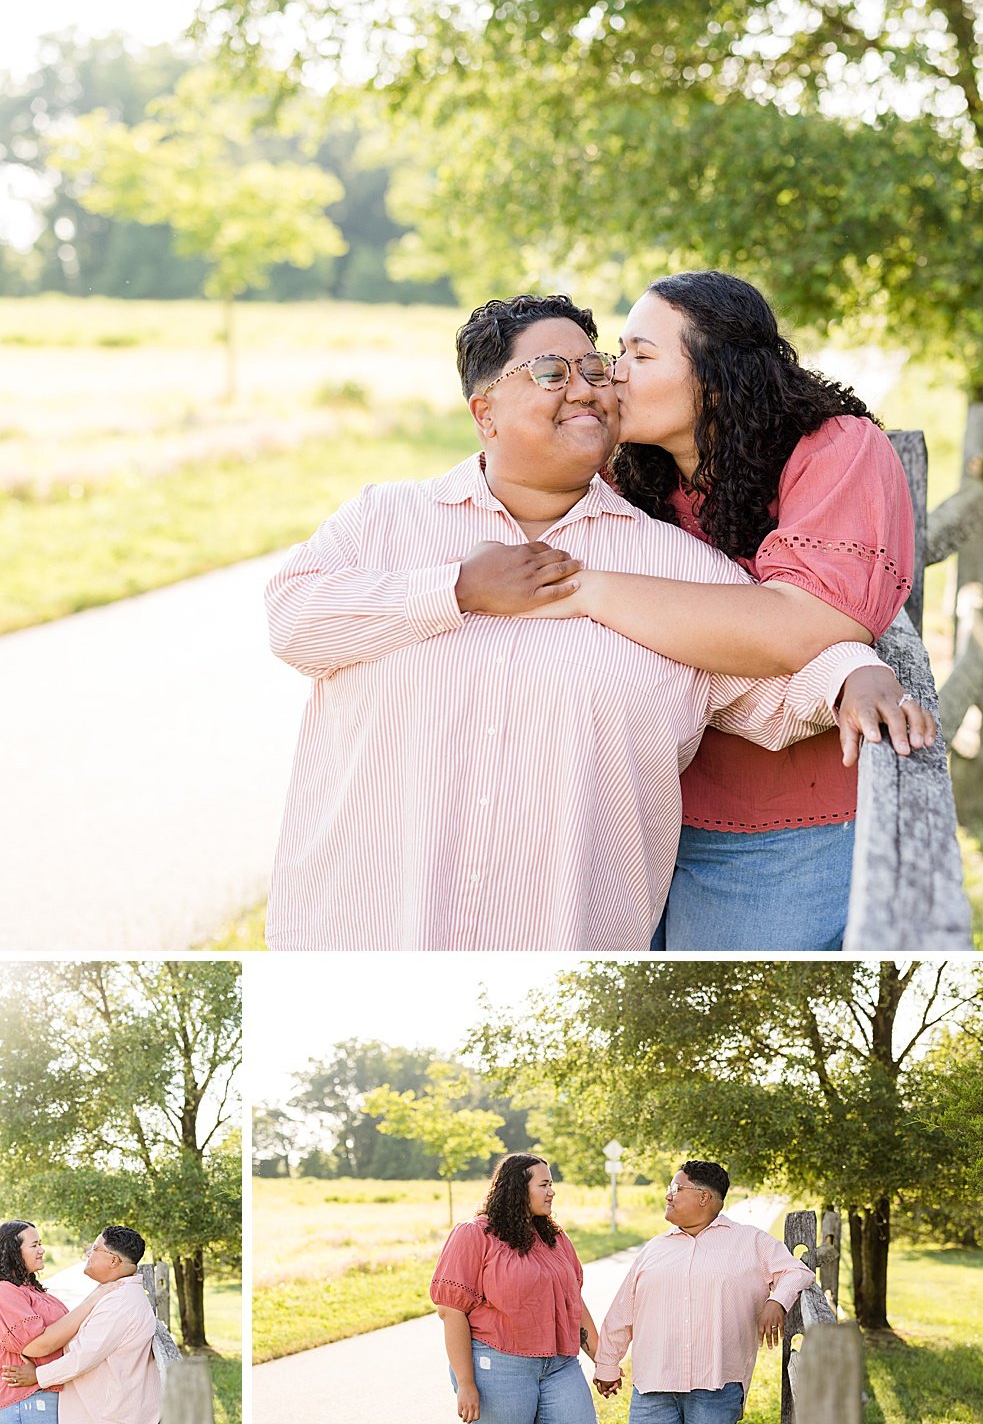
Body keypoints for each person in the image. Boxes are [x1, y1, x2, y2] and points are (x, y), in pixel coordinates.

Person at [266, 292, 913, 951]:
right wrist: (455, 590)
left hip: (565, 942)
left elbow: (768, 680)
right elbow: (292, 621)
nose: (588, 388)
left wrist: (853, 668)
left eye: (595, 370)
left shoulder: (671, 562)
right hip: (359, 932)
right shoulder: (385, 522)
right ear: (483, 412)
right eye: (551, 372)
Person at [539, 270, 933, 950]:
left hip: (778, 832)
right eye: (617, 354)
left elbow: (811, 624)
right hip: (629, 818)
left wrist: (589, 590)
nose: (615, 376)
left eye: (641, 354)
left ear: (716, 378)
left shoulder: (836, 451)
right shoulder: (624, 468)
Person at [593, 1160, 816, 1424]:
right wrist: (607, 1363)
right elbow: (622, 1311)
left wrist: (776, 1301)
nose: (668, 1196)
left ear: (703, 1198)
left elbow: (797, 1271)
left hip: (717, 1379)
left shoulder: (751, 1242)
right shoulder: (655, 1248)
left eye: (676, 1188)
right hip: (655, 1378)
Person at [429, 1154, 602, 1424]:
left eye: (552, 1184)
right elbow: (450, 1311)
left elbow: (573, 1303)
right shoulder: (474, 1234)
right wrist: (466, 1383)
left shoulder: (555, 1237)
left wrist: (603, 1360)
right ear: (517, 1188)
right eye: (544, 1184)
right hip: (499, 1367)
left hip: (559, 1366)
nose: (552, 1192)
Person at [3, 1226, 160, 1424]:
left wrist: (37, 1375)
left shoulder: (120, 1304)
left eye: (94, 1249)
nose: (88, 1253)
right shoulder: (116, 1295)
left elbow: (81, 1358)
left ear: (113, 1260)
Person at [0, 1220, 111, 1424]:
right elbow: (36, 1344)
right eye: (34, 1244)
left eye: (41, 1244)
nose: (41, 1250)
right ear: (13, 1251)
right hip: (23, 1401)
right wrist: (96, 1296)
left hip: (38, 1398)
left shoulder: (27, 1289)